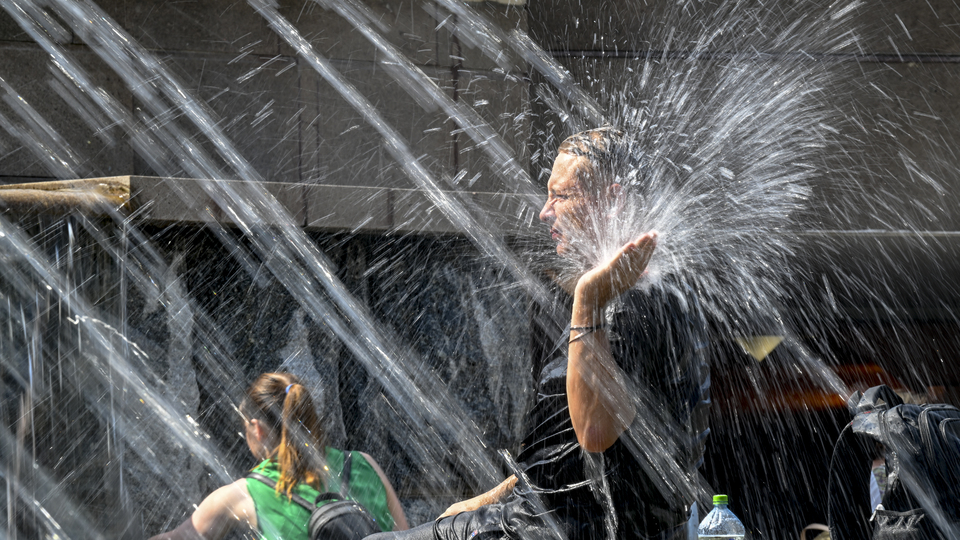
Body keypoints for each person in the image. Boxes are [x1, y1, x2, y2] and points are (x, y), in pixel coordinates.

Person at [366, 126, 709, 540]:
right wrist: (483, 499)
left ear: (613, 199)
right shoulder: (629, 295)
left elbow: (595, 434)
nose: (544, 212)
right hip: (544, 516)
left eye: (561, 196)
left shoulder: (626, 304)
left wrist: (587, 299)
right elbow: (561, 457)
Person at [150, 372, 409, 540]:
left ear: (257, 429)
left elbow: (179, 538)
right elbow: (408, 535)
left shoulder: (244, 494)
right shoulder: (363, 463)